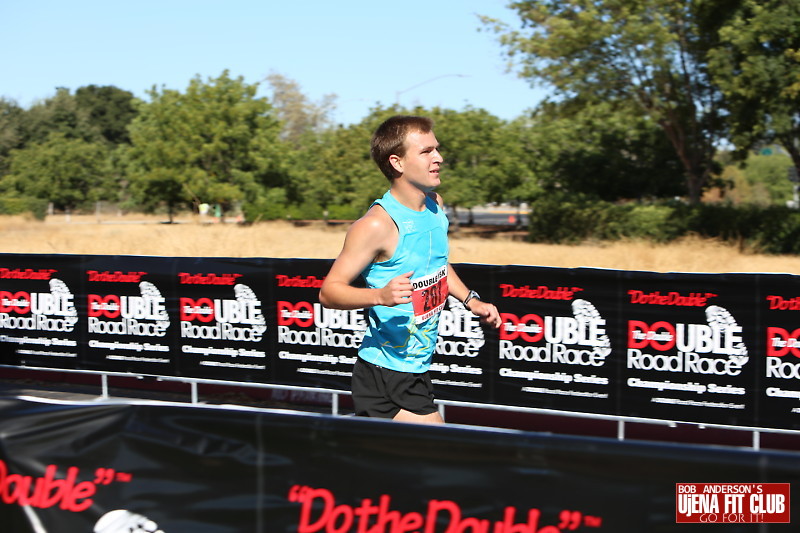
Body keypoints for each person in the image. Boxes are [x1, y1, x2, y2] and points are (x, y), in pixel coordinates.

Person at [319, 115, 501, 424]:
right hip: (386, 372)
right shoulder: (377, 225)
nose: (438, 158)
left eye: (437, 149)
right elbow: (328, 292)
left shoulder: (435, 205)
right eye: (426, 151)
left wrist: (470, 300)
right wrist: (379, 296)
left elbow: (436, 264)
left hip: (416, 366)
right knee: (440, 447)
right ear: (397, 162)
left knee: (398, 454)